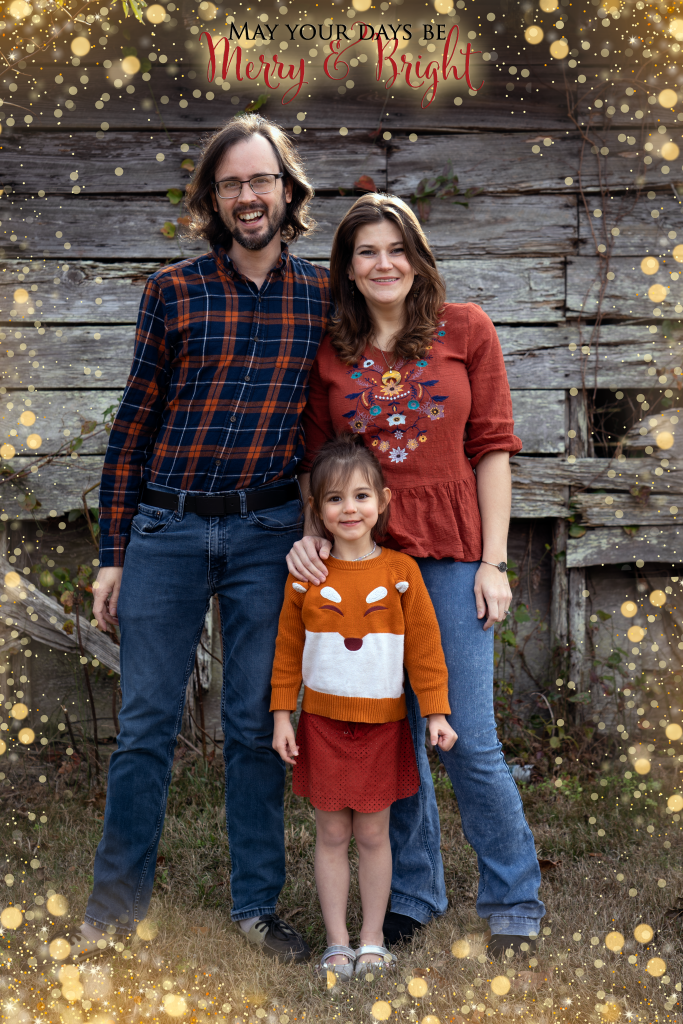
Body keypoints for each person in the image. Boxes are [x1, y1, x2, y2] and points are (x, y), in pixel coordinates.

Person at [50, 115, 331, 966]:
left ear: (288, 190)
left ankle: (255, 910)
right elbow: (131, 427)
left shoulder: (321, 296)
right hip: (168, 530)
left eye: (262, 180)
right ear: (213, 199)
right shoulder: (172, 291)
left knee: (253, 725)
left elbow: (326, 425)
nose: (248, 197)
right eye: (231, 183)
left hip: (267, 531)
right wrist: (114, 553)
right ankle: (112, 911)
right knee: (144, 726)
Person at [287, 193, 546, 957]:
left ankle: (513, 900)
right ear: (347, 267)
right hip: (363, 566)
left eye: (395, 248)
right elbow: (316, 463)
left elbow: (492, 446)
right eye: (365, 251)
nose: (383, 263)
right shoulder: (330, 349)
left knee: (464, 737)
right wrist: (310, 539)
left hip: (453, 559)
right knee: (385, 737)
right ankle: (413, 894)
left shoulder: (466, 329)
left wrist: (493, 563)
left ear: (418, 254)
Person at [271, 435, 456, 982]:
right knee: (330, 835)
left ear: (383, 500)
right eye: (333, 499)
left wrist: (437, 713)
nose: (348, 509)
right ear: (317, 510)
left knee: (373, 835)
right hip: (322, 726)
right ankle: (336, 943)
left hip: (382, 727)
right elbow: (286, 651)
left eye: (359, 496)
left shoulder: (400, 572)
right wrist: (283, 715)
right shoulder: (307, 575)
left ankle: (372, 941)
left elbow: (425, 650)